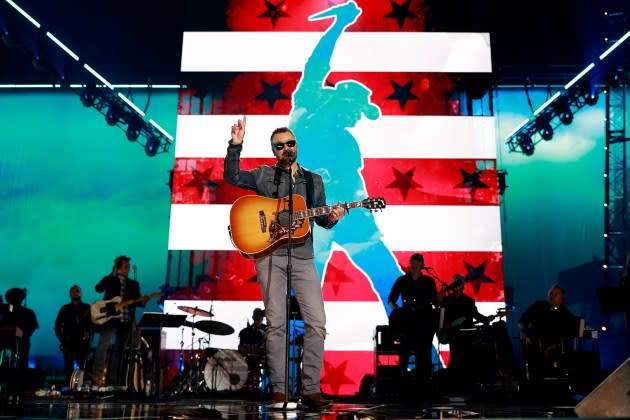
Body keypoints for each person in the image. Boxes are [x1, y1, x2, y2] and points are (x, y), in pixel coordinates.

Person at [224, 117, 345, 410]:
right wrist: (235, 145)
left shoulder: (313, 180)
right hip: (268, 256)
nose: (286, 149)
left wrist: (334, 216)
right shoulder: (264, 175)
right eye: (280, 146)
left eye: (290, 143)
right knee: (276, 324)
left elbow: (321, 221)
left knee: (316, 322)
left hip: (303, 257)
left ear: (296, 146)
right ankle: (279, 391)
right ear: (274, 150)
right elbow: (232, 177)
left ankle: (311, 391)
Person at [439, 275, 518, 389]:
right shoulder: (446, 300)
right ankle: (454, 385)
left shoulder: (469, 301)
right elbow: (442, 319)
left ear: (463, 285)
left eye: (459, 283)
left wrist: (487, 319)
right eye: (454, 283)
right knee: (455, 360)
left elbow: (477, 316)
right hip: (453, 335)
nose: (457, 285)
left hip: (466, 335)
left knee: (466, 359)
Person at [387, 253, 439, 400]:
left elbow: (434, 301)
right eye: (412, 262)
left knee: (424, 357)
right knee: (404, 355)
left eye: (417, 262)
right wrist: (398, 312)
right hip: (408, 325)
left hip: (425, 325)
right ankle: (402, 391)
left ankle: (424, 390)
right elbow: (391, 299)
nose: (414, 265)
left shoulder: (428, 281)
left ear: (422, 265)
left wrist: (437, 301)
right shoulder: (402, 280)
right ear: (410, 264)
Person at [91, 255, 144, 388]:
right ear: (118, 268)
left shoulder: (133, 284)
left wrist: (143, 301)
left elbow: (138, 301)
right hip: (111, 319)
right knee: (103, 346)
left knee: (120, 351)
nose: (128, 269)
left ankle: (115, 382)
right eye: (125, 266)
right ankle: (95, 377)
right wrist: (111, 274)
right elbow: (98, 288)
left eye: (128, 267)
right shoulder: (111, 280)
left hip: (127, 320)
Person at [518, 284, 579, 380]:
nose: (552, 296)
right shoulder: (538, 306)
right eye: (551, 294)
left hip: (553, 348)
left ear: (562, 298)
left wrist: (548, 349)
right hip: (533, 344)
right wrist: (524, 333)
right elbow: (522, 321)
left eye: (555, 294)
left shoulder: (566, 315)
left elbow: (566, 337)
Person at [0, 288, 39, 400]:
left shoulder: (28, 312)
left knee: (21, 365)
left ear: (21, 298)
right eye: (13, 297)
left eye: (18, 297)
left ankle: (19, 389)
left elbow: (31, 328)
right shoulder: (7, 310)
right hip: (6, 341)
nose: (16, 300)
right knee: (8, 365)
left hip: (22, 342)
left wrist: (20, 333)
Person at [54, 285, 93, 387]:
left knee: (83, 367)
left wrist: (88, 340)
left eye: (78, 291)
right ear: (70, 294)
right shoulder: (65, 308)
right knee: (68, 367)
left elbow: (92, 325)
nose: (76, 292)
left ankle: (83, 388)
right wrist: (62, 340)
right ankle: (69, 387)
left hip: (83, 342)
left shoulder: (87, 308)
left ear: (81, 293)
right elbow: (57, 326)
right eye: (74, 291)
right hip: (68, 342)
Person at [238, 308, 268, 392]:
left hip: (262, 358)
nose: (259, 317)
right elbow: (241, 347)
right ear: (253, 317)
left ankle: (262, 387)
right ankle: (246, 386)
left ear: (263, 317)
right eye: (257, 315)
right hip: (248, 358)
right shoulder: (244, 332)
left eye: (260, 315)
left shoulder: (267, 330)